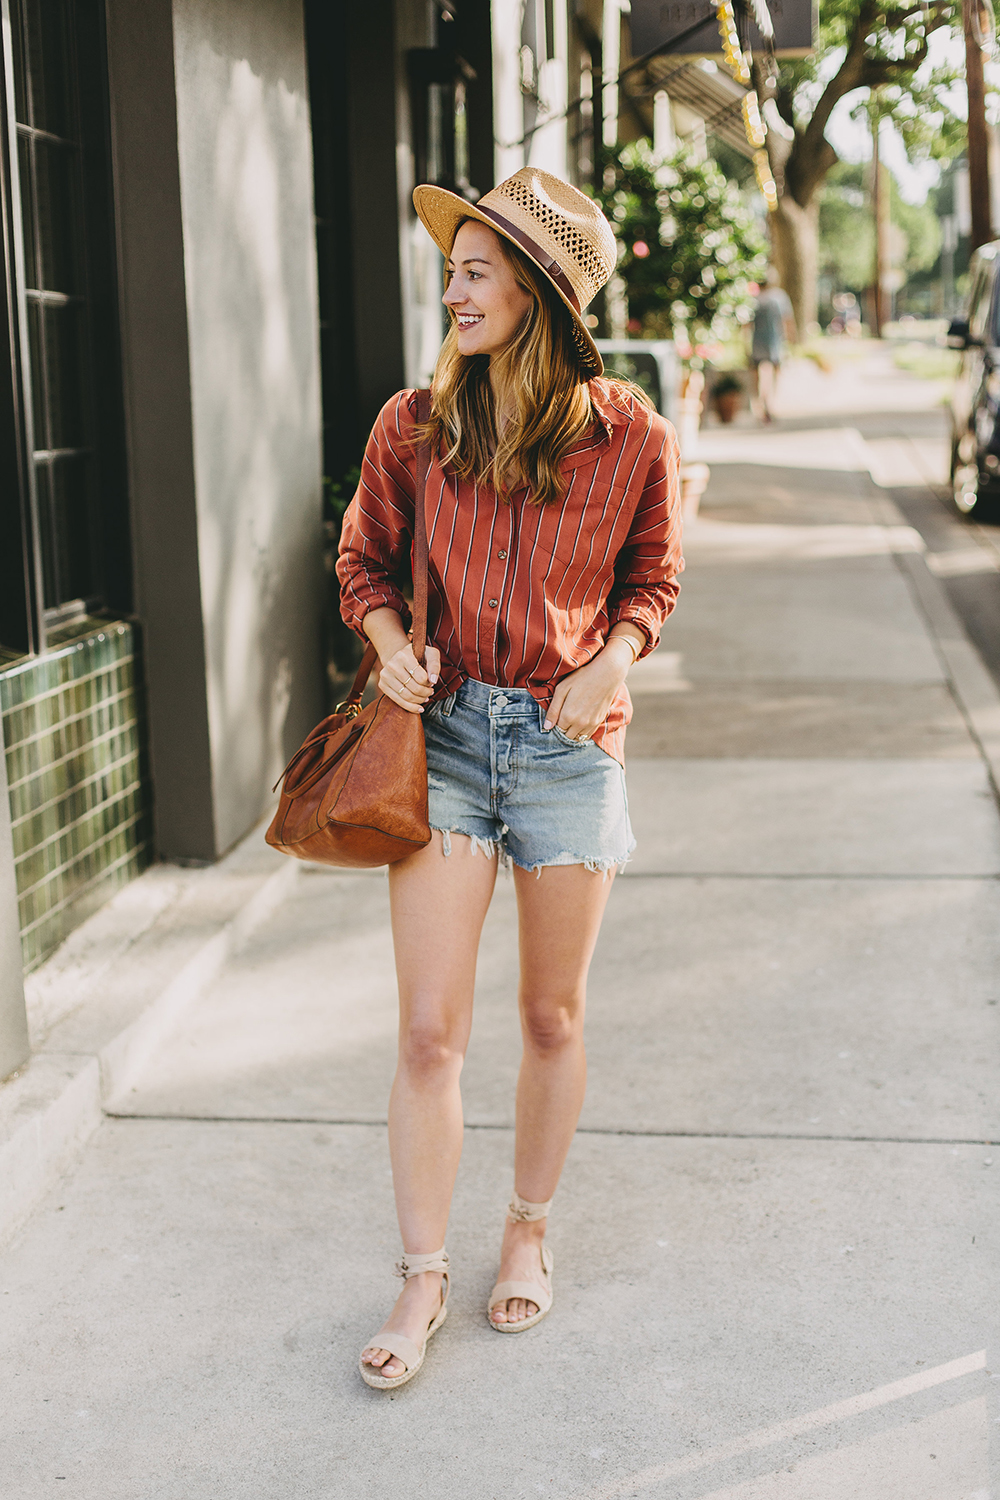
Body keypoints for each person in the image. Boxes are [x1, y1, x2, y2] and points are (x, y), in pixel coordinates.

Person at [336, 167, 683, 1389]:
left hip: (566, 751)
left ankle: (525, 1226)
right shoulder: (413, 426)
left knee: (550, 1017)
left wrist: (612, 661)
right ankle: (422, 1270)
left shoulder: (629, 432)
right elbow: (364, 561)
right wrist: (389, 656)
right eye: (453, 267)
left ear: (537, 291)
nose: (452, 289)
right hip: (446, 746)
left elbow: (653, 578)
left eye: (476, 270)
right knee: (430, 1031)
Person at [750, 269, 796, 423]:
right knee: (776, 373)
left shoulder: (754, 298)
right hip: (775, 341)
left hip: (757, 342)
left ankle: (762, 404)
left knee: (758, 375)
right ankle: (771, 404)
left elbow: (747, 325)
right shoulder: (779, 297)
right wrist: (790, 340)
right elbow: (786, 320)